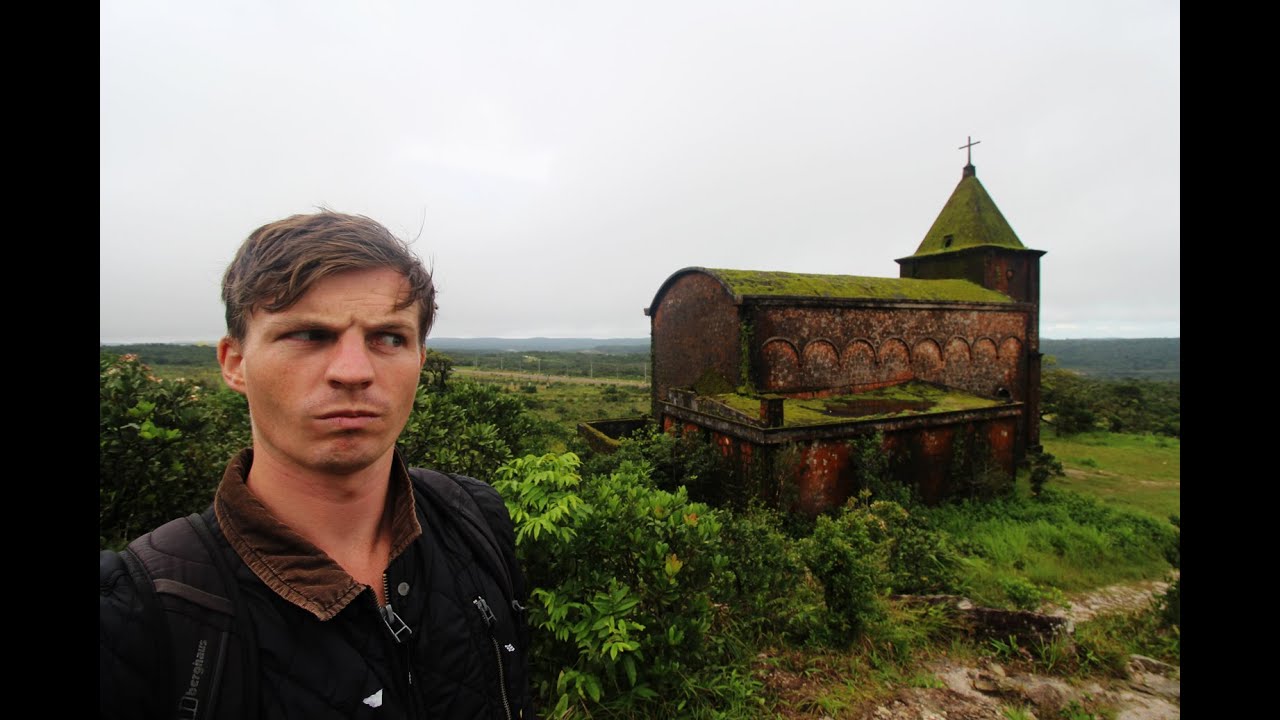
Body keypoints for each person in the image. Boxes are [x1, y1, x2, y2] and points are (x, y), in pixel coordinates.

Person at [100, 210, 537, 719]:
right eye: (309, 335)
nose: (353, 372)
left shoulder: (474, 519)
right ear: (234, 363)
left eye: (390, 338)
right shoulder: (137, 610)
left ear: (419, 361)